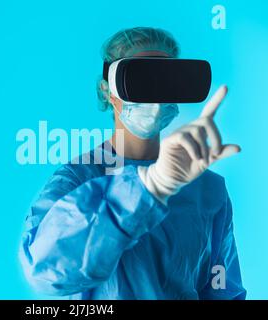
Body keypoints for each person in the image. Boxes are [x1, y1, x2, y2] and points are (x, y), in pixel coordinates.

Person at [18, 27, 246, 299]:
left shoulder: (208, 189)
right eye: (139, 79)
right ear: (107, 91)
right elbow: (45, 270)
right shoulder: (76, 181)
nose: (154, 95)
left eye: (164, 79)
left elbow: (222, 290)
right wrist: (148, 187)